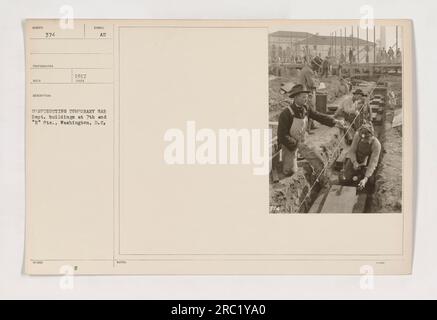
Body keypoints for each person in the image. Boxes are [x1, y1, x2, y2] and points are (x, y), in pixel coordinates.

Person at [277, 84, 345, 178]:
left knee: (318, 161)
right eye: (303, 97)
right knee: (290, 171)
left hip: (303, 141)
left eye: (307, 97)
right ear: (296, 97)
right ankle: (291, 158)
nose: (306, 99)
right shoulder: (286, 113)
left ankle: (323, 180)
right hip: (290, 145)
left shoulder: (306, 108)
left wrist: (334, 121)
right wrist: (296, 144)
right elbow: (282, 135)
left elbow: (319, 116)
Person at [341, 123, 381, 191]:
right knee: (344, 179)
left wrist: (365, 178)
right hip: (356, 157)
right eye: (362, 140)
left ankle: (362, 175)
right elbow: (352, 151)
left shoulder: (376, 145)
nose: (363, 141)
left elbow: (373, 163)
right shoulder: (357, 135)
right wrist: (354, 162)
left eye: (366, 140)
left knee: (370, 182)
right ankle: (348, 171)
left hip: (367, 161)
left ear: (371, 136)